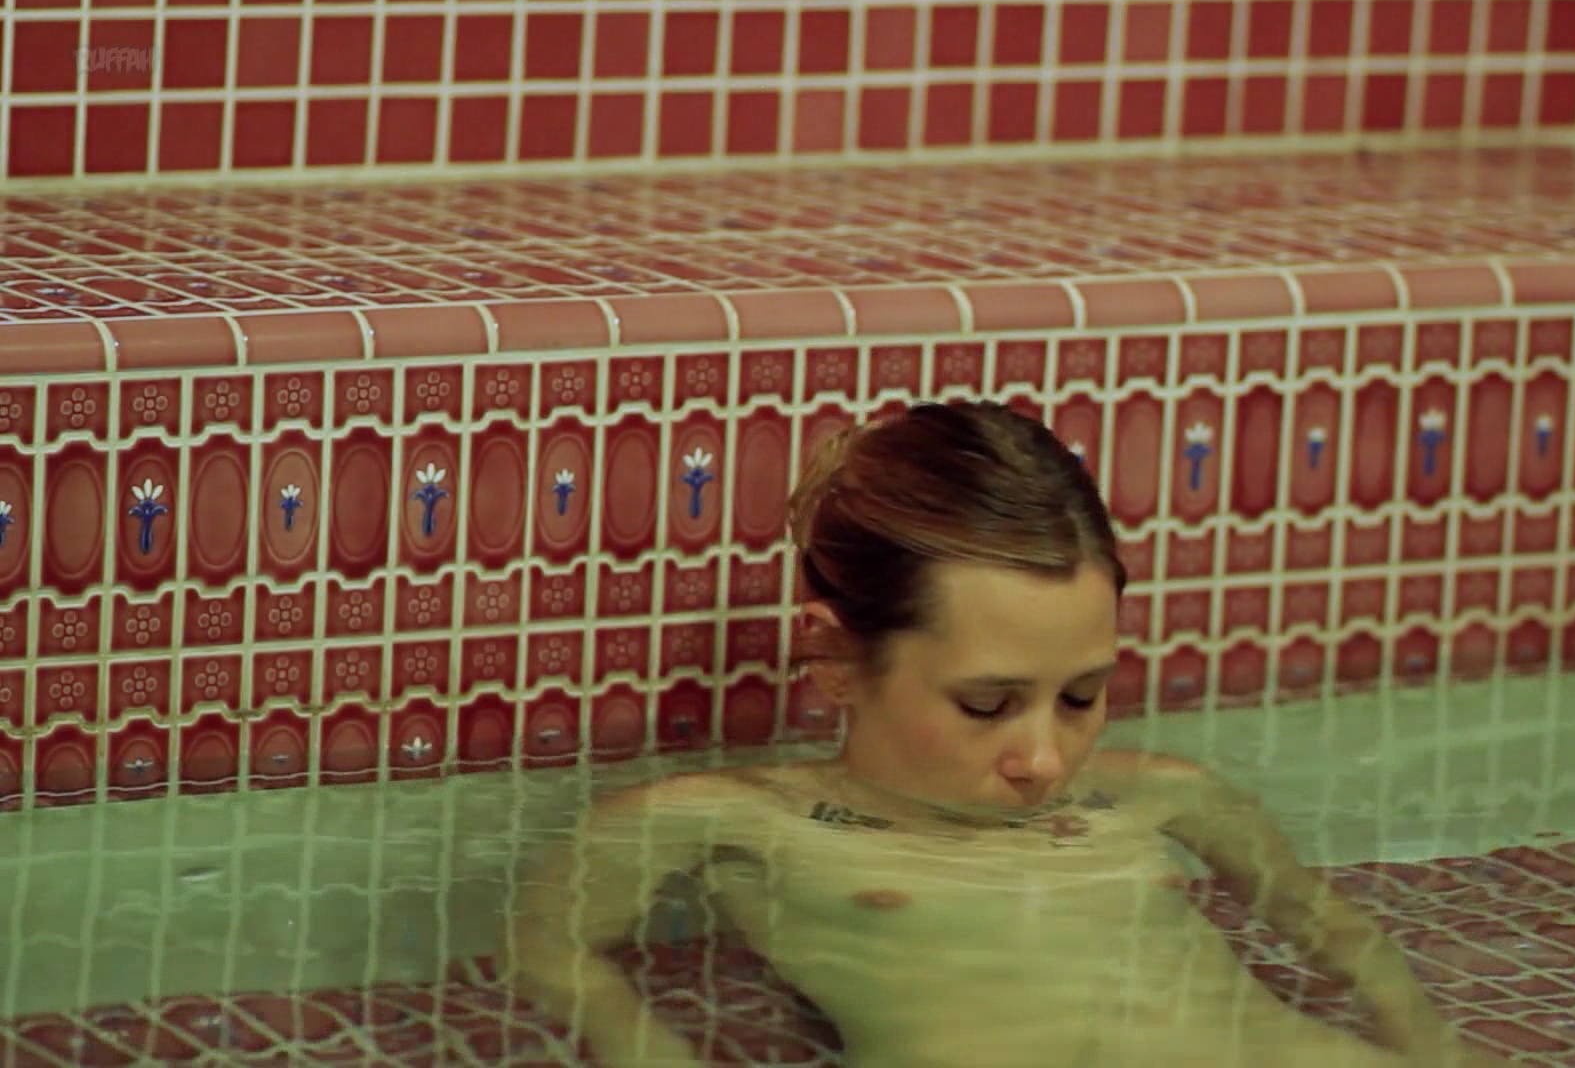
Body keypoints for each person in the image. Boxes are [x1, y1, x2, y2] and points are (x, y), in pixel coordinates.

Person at [503, 401, 1509, 1068]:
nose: (1044, 760)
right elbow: (547, 952)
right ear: (834, 656)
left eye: (1082, 696)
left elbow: (1338, 936)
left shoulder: (1162, 795)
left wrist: (1437, 1050)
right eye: (986, 706)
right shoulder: (733, 825)